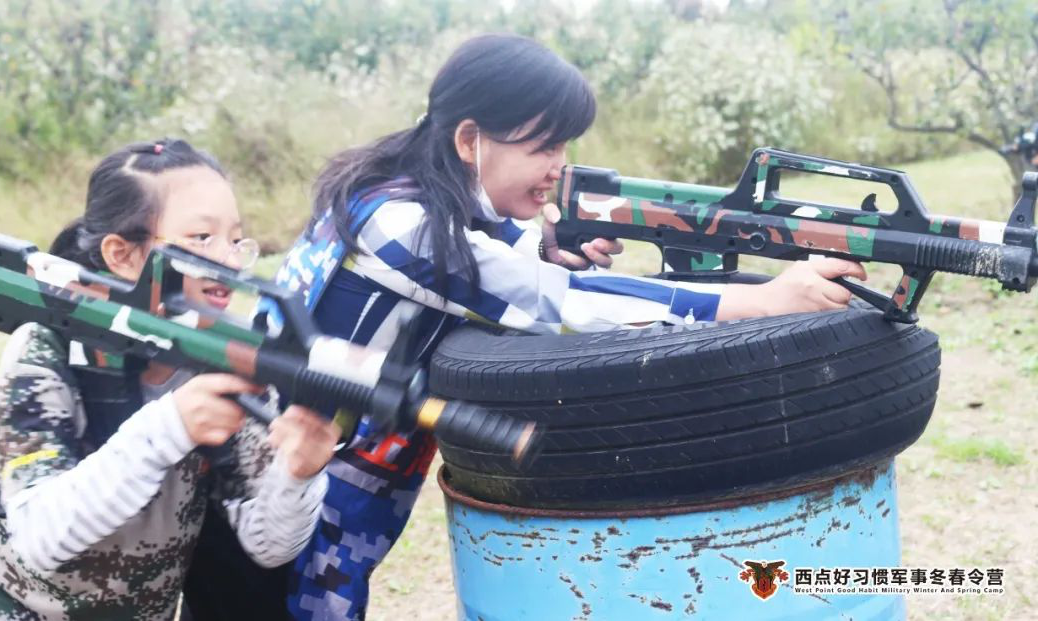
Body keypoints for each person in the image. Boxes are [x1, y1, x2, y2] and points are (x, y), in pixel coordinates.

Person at [187, 34, 868, 621]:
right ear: (468, 140)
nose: (558, 167)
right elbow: (556, 301)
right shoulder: (401, 225)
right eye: (544, 145)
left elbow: (486, 274)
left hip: (321, 479)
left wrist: (539, 251)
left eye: (564, 145)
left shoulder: (394, 195)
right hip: (287, 489)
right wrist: (756, 303)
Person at [0, 139, 341, 620]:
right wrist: (172, 425)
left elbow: (266, 545)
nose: (228, 259)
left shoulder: (224, 359)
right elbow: (39, 538)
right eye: (202, 238)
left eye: (236, 239)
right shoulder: (47, 346)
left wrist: (298, 475)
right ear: (122, 253)